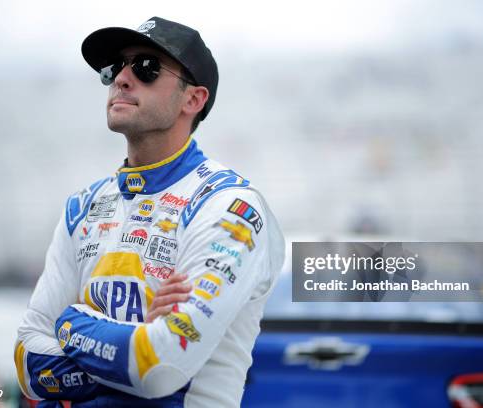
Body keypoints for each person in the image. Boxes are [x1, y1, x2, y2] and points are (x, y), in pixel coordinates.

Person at [14, 16, 285, 407]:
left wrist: (71, 323)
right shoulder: (83, 206)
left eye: (146, 67)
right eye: (115, 68)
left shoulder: (229, 207)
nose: (122, 79)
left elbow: (159, 366)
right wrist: (127, 346)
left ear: (193, 100)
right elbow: (28, 363)